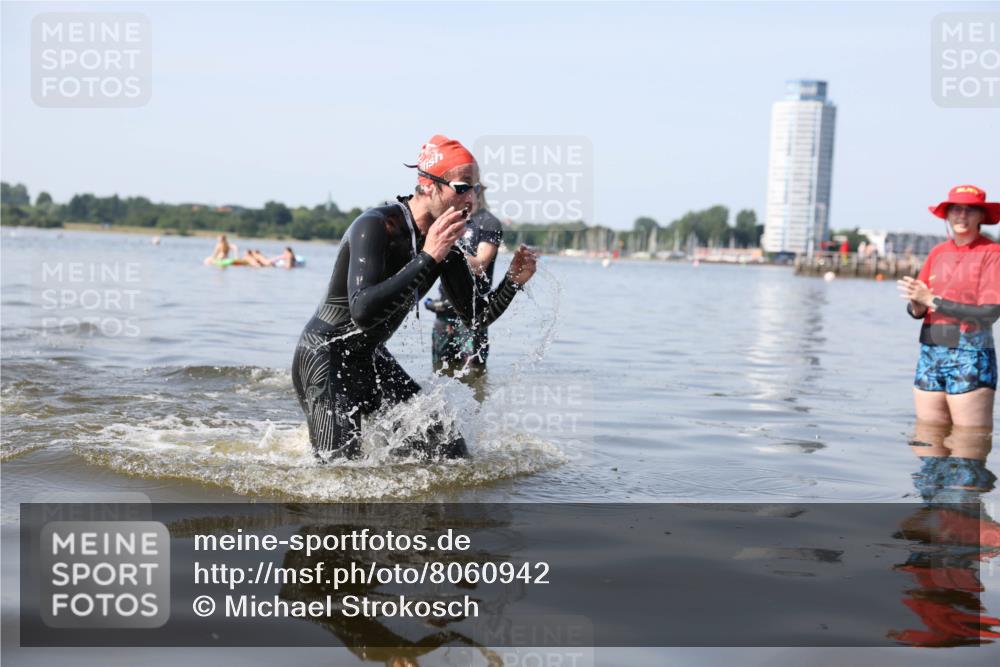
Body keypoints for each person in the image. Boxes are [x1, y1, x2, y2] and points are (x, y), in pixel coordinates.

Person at [292, 134, 538, 462]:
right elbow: (362, 310)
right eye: (463, 187)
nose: (472, 200)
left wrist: (512, 281)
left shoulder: (446, 248)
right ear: (428, 185)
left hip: (371, 359)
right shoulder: (376, 226)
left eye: (476, 189)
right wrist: (427, 257)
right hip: (325, 359)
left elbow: (476, 317)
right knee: (339, 474)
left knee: (452, 458)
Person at [897, 184, 1000, 438]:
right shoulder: (937, 252)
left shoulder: (992, 253)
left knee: (969, 445)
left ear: (982, 217)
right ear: (947, 215)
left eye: (969, 210)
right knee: (927, 442)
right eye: (956, 209)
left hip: (971, 354)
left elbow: (989, 314)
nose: (961, 216)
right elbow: (920, 308)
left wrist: (933, 301)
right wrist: (917, 305)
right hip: (931, 351)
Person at [424, 188, 504, 382]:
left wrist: (444, 252)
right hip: (443, 310)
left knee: (474, 374)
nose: (461, 196)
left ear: (477, 192)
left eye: (467, 190)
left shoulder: (489, 222)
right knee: (439, 372)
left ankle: (476, 410)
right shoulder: (450, 219)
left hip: (472, 311)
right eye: (458, 191)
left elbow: (480, 264)